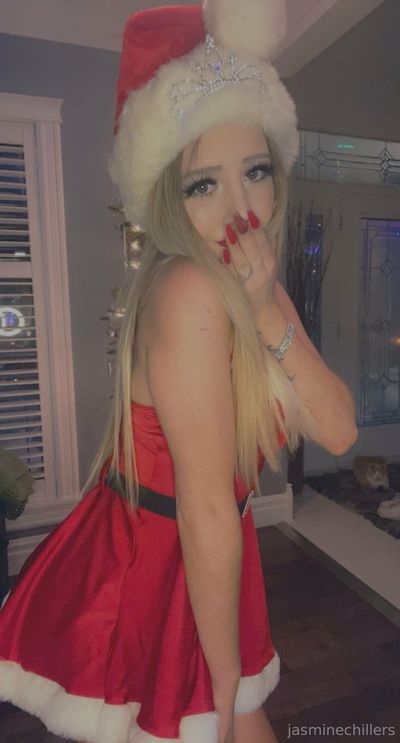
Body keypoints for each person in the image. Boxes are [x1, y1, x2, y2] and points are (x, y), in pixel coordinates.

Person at [0, 1, 358, 741]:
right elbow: (204, 508)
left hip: (206, 550)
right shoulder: (191, 290)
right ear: (169, 194)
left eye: (255, 171)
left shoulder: (252, 286)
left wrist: (267, 311)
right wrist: (222, 682)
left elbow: (340, 430)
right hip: (164, 557)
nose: (240, 208)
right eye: (204, 184)